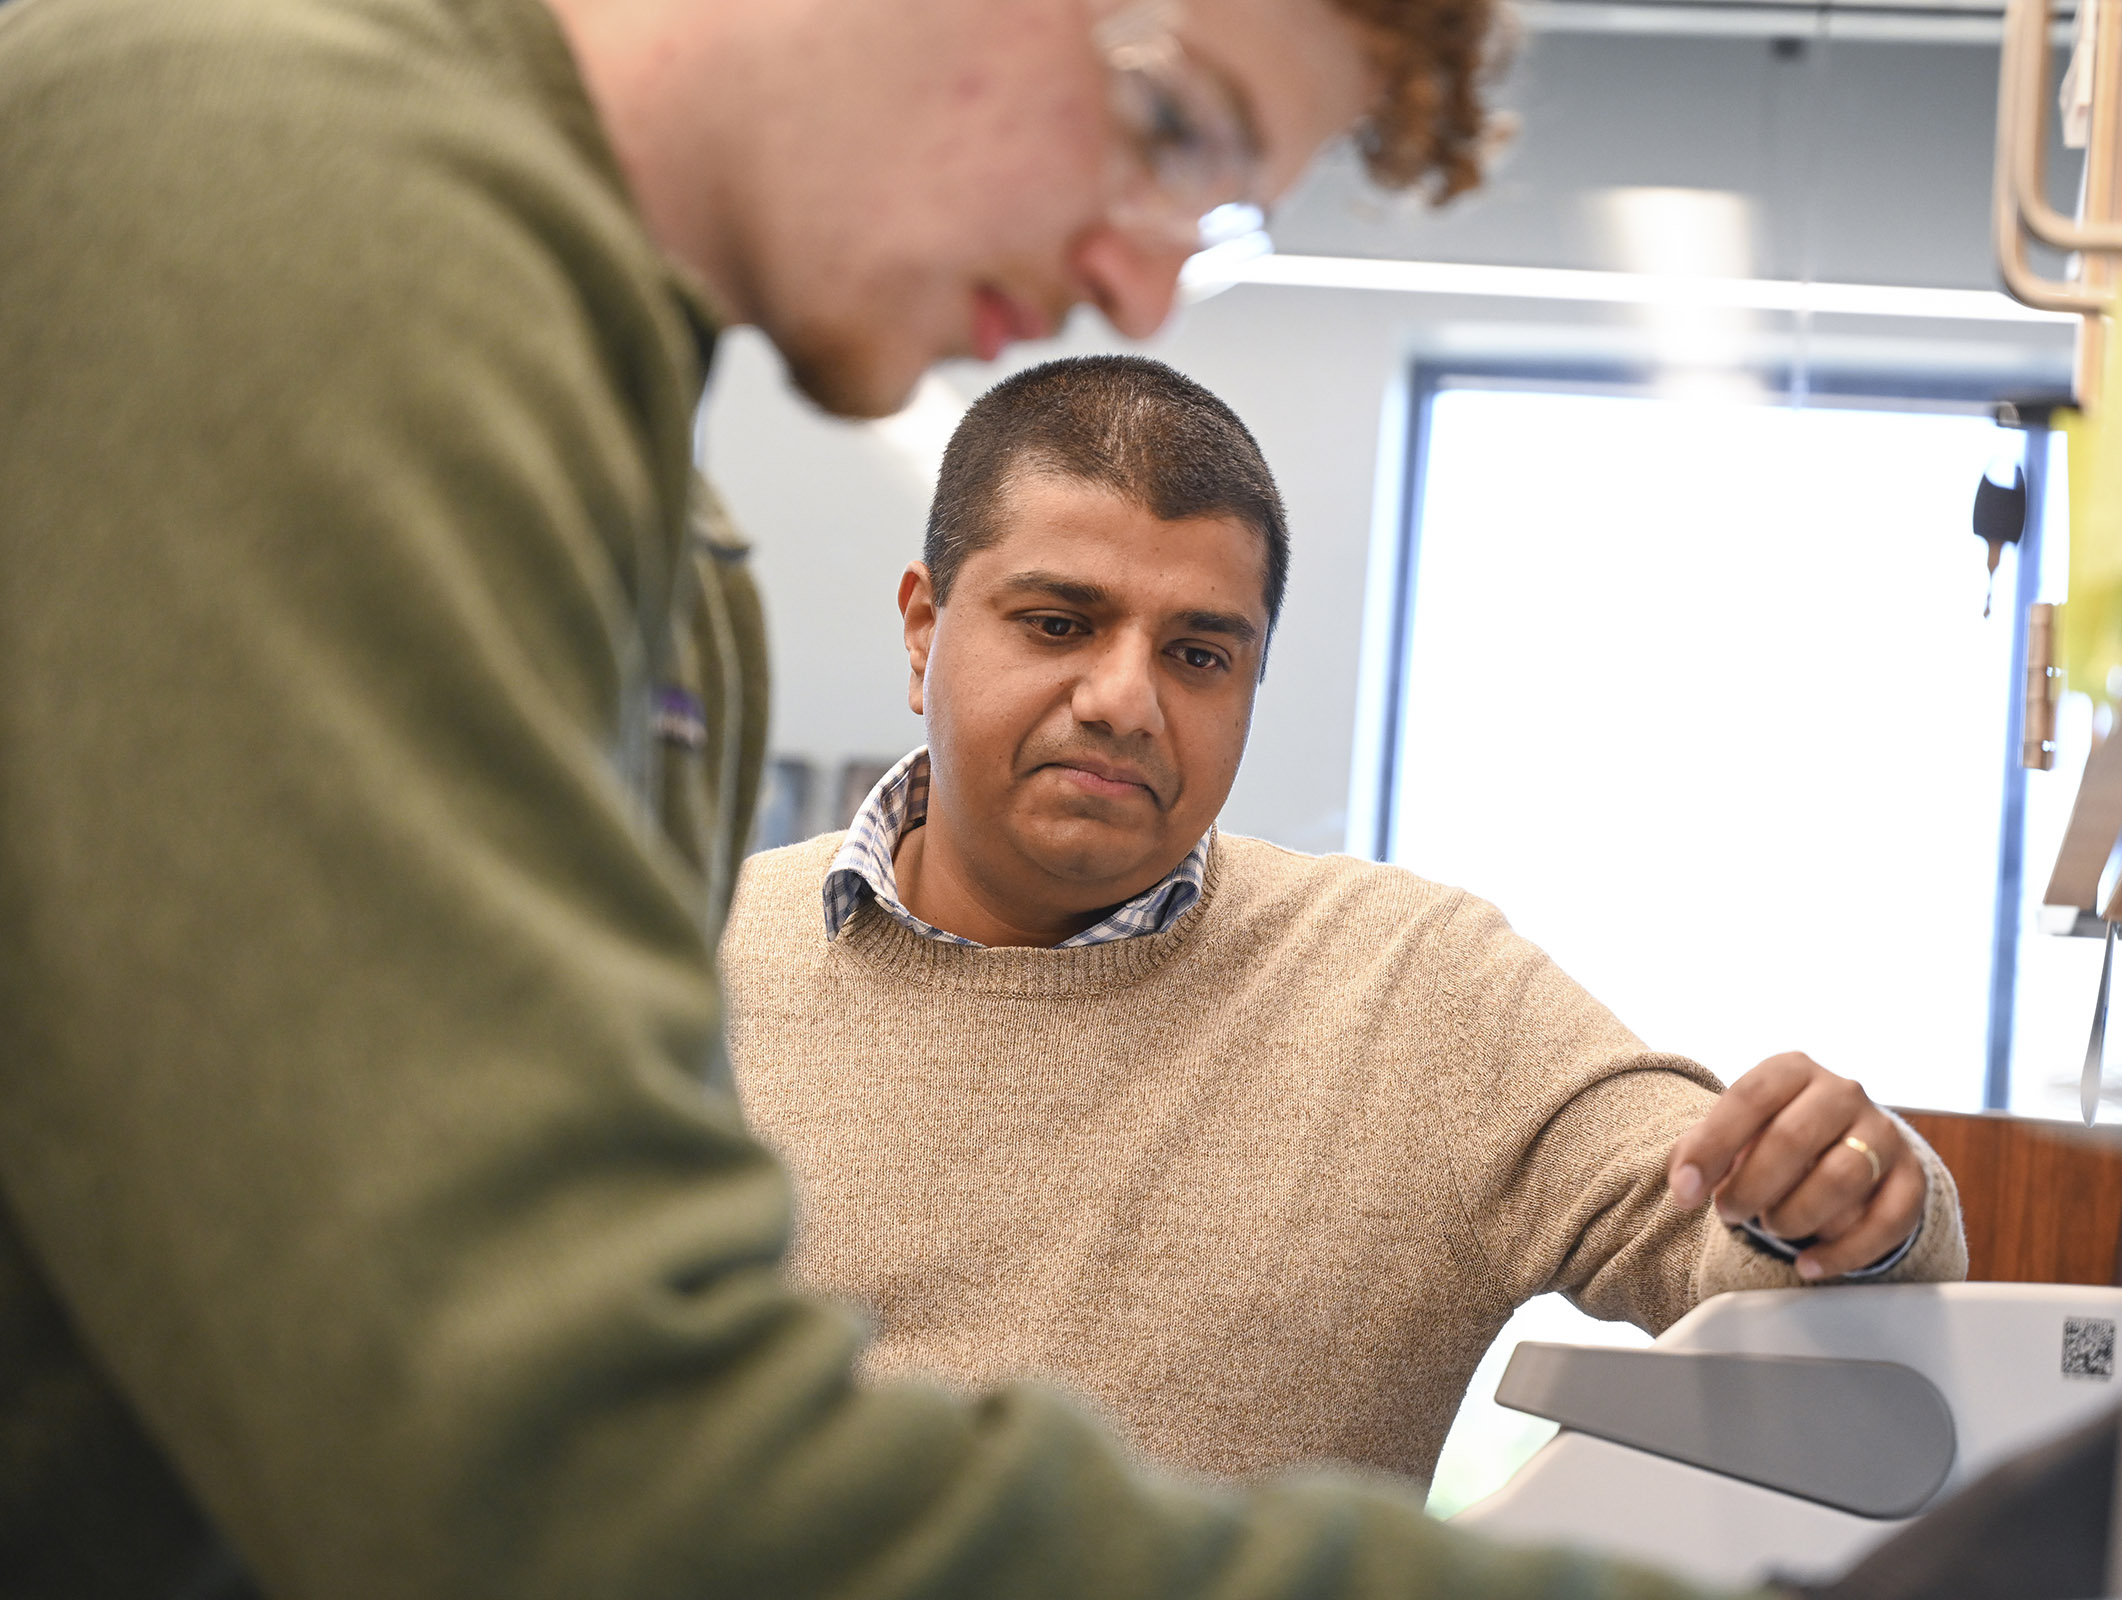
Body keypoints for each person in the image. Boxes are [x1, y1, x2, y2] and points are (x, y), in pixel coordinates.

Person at [0, 0, 1795, 1594]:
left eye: (1213, 210)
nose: (1141, 286)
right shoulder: (304, 214)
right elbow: (557, 1459)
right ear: (928, 630)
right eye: (1170, 124)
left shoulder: (653, 508)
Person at [721, 354, 1969, 1485]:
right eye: (1060, 623)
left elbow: (1729, 1250)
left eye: (1200, 654)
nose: (1123, 700)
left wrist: (1857, 1200)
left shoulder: (1415, 990)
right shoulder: (684, 958)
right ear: (925, 628)